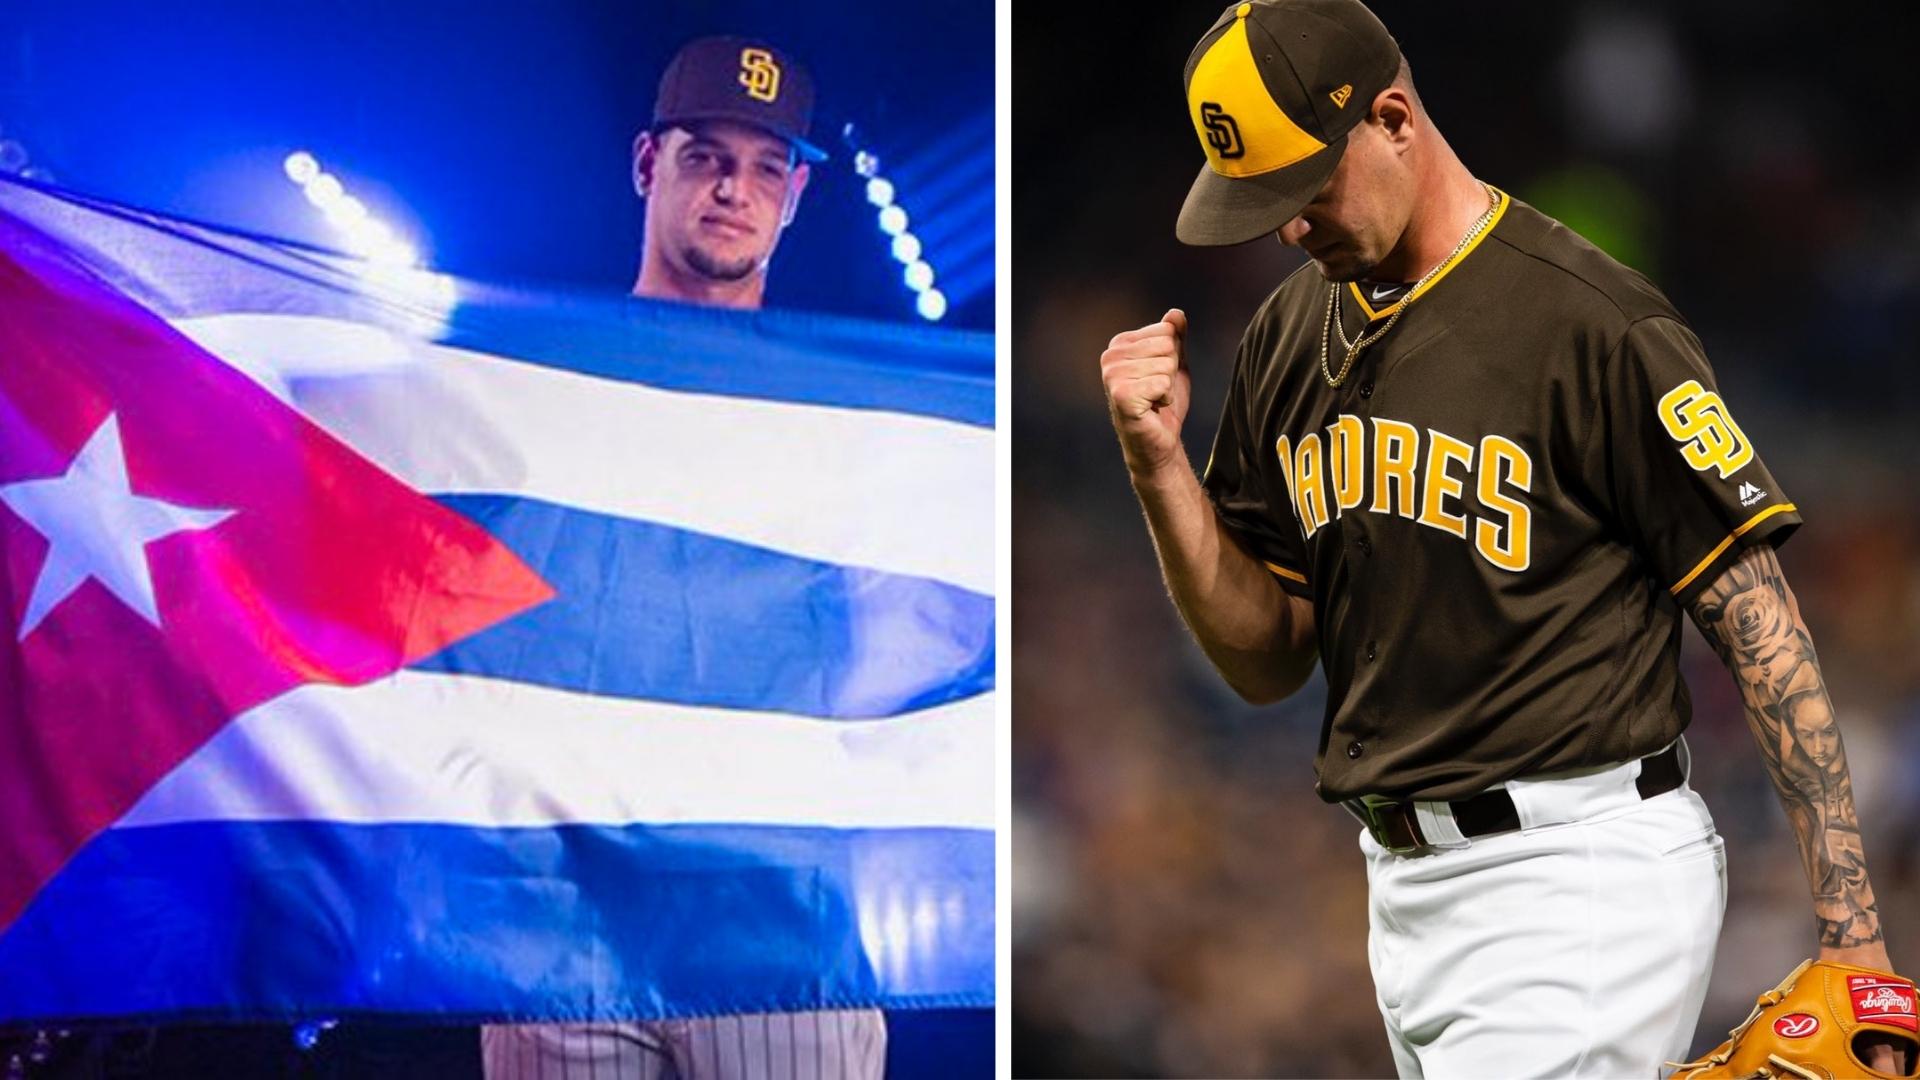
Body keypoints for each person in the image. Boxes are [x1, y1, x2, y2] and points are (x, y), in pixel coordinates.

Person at [1096, 0, 1901, 1073]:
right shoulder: (1288, 337)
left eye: (1305, 188)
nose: (1290, 227)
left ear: (1392, 119)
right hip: (1406, 894)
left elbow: (1759, 620)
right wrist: (1160, 471)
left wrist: (1855, 939)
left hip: (1579, 873)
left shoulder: (1592, 321)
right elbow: (1266, 658)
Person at [480, 35, 886, 1080]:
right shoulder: (531, 380)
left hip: (776, 912)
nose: (732, 193)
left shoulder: (854, 414)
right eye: (706, 157)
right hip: (562, 913)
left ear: (795, 195)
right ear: (647, 165)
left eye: (764, 169)